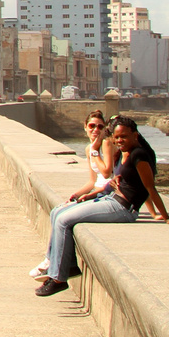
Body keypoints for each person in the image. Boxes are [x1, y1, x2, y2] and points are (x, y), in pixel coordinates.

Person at [35, 115, 169, 297]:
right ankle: (65, 266)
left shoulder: (140, 155)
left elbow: (150, 188)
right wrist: (91, 194)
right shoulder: (124, 153)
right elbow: (117, 180)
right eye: (117, 137)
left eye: (124, 137)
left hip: (123, 209)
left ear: (135, 135)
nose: (120, 140)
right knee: (57, 212)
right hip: (111, 199)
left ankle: (58, 278)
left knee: (64, 220)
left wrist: (165, 217)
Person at [32, 111, 117, 278]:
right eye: (92, 126)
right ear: (85, 127)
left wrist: (94, 151)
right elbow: (92, 181)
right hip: (97, 193)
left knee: (64, 218)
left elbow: (107, 174)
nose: (95, 130)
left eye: (100, 126)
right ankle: (52, 260)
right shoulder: (89, 148)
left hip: (106, 195)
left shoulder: (105, 144)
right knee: (57, 210)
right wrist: (76, 194)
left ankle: (55, 264)